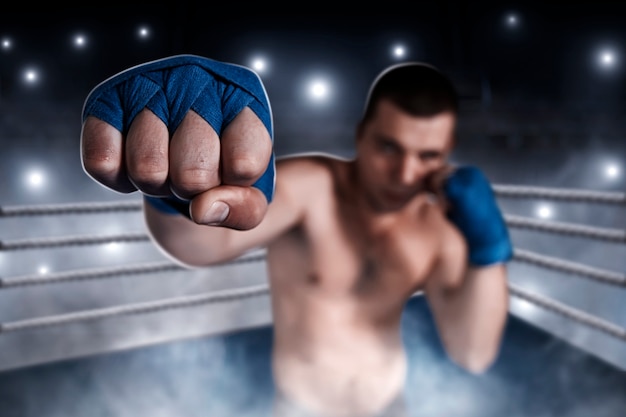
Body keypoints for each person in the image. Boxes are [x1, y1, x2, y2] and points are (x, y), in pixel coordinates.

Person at [80, 54, 513, 417]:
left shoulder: (439, 229)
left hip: (389, 405)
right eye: (389, 148)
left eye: (428, 156)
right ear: (362, 136)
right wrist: (177, 193)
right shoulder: (313, 188)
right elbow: (200, 245)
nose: (404, 174)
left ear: (447, 153)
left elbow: (471, 352)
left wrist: (487, 248)